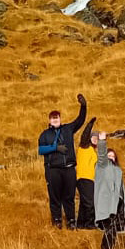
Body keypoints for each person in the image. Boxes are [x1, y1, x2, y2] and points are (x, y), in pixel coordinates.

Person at [36, 93, 88, 228]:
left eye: (57, 117)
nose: (55, 120)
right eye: (52, 118)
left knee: (69, 196)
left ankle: (71, 221)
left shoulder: (68, 129)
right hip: (53, 169)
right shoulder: (44, 134)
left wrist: (83, 106)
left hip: (69, 168)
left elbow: (80, 120)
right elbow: (41, 150)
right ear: (49, 120)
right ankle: (57, 220)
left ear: (60, 118)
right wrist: (55, 148)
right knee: (55, 196)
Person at [92, 140, 125, 249]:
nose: (111, 158)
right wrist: (102, 141)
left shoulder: (118, 170)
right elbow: (101, 154)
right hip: (106, 202)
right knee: (109, 225)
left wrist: (122, 201)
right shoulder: (102, 166)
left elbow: (119, 187)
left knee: (112, 227)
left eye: (113, 156)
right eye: (109, 156)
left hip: (116, 202)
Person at [75, 117, 101, 229]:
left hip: (90, 179)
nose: (95, 139)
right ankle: (90, 224)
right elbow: (84, 136)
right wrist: (90, 124)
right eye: (94, 137)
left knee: (84, 203)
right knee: (90, 202)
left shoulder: (94, 152)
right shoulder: (84, 146)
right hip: (84, 178)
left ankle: (81, 224)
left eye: (97, 138)